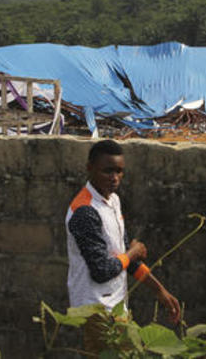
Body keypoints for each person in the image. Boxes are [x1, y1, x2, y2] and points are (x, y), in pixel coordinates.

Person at [66, 139, 181, 351]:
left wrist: (160, 291)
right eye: (108, 171)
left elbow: (125, 258)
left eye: (119, 171)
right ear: (89, 168)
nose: (115, 178)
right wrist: (133, 252)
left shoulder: (113, 201)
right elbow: (101, 270)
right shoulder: (84, 211)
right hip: (95, 310)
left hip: (116, 308)